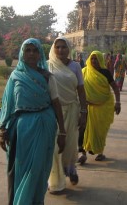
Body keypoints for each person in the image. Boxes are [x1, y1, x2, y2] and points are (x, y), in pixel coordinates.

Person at [0, 38, 66, 205]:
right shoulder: (15, 76)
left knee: (38, 170)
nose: (31, 54)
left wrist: (62, 131)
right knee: (22, 169)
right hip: (22, 130)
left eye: (35, 50)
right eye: (27, 50)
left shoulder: (48, 77)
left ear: (40, 54)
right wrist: (2, 130)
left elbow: (56, 103)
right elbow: (8, 103)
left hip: (44, 125)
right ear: (22, 53)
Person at [47, 37, 87, 193]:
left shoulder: (75, 66)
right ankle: (56, 180)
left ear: (69, 48)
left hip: (71, 110)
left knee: (70, 144)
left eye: (64, 47)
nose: (61, 50)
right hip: (54, 112)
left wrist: (83, 112)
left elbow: (81, 91)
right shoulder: (48, 65)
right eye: (58, 47)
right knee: (55, 147)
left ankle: (71, 169)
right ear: (53, 49)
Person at [82, 51, 121, 161]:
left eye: (96, 59)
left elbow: (115, 88)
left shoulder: (105, 73)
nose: (94, 61)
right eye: (92, 58)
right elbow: (78, 88)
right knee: (85, 131)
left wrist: (118, 102)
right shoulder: (84, 72)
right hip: (88, 107)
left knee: (100, 131)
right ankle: (83, 154)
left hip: (104, 107)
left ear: (101, 60)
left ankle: (100, 152)